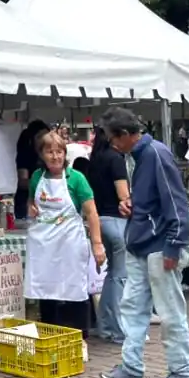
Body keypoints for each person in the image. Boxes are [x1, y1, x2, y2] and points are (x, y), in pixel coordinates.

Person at [99, 106, 189, 378]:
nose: (112, 145)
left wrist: (174, 246)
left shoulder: (154, 154)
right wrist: (131, 207)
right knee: (133, 308)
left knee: (169, 311)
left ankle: (183, 370)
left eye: (114, 138)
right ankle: (131, 367)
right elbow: (156, 201)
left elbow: (176, 203)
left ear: (127, 134)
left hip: (159, 245)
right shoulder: (138, 157)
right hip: (143, 244)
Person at [25, 126, 105, 363]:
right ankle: (49, 337)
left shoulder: (77, 179)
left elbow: (91, 213)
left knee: (75, 289)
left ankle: (81, 340)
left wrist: (97, 244)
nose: (55, 156)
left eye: (59, 151)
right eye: (50, 152)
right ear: (42, 155)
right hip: (44, 243)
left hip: (70, 241)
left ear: (65, 153)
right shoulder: (37, 178)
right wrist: (31, 207)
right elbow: (31, 200)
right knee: (45, 289)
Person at [85, 126, 130, 345]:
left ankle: (104, 324)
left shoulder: (95, 159)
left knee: (112, 275)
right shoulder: (116, 159)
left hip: (99, 221)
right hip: (117, 221)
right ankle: (117, 328)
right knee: (119, 276)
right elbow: (124, 196)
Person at [14, 120, 49, 222]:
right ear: (32, 139)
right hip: (27, 203)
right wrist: (46, 184)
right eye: (40, 137)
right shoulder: (26, 156)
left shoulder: (49, 155)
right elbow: (22, 182)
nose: (44, 140)